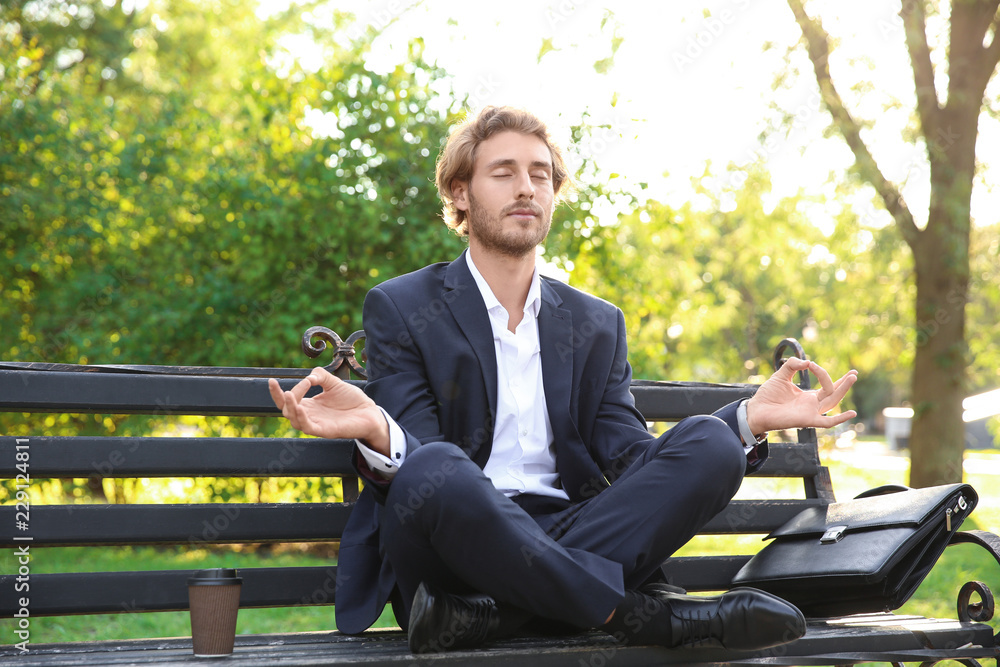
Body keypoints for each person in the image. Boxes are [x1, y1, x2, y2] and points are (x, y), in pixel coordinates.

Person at [268, 106, 858, 654]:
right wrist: (378, 429)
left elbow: (630, 456)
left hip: (571, 531)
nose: (527, 187)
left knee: (712, 441)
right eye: (504, 172)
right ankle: (647, 618)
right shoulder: (403, 306)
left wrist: (748, 420)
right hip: (455, 545)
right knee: (436, 467)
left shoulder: (595, 323)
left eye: (540, 174)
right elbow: (422, 468)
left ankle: (493, 615)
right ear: (460, 192)